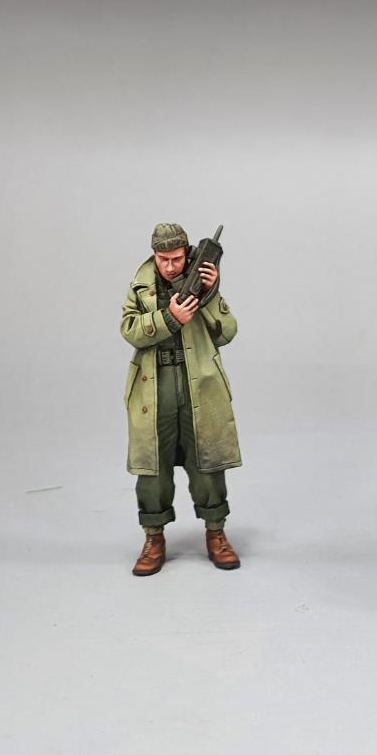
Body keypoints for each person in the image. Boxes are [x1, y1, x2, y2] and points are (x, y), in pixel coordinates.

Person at [120, 223, 243, 576]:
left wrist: (210, 293)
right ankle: (153, 538)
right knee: (152, 467)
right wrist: (169, 318)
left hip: (198, 382)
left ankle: (216, 533)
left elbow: (228, 332)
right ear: (154, 255)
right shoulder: (141, 285)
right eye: (163, 259)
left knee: (207, 462)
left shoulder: (201, 281)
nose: (170, 266)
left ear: (187, 253)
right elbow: (129, 329)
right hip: (155, 384)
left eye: (176, 258)